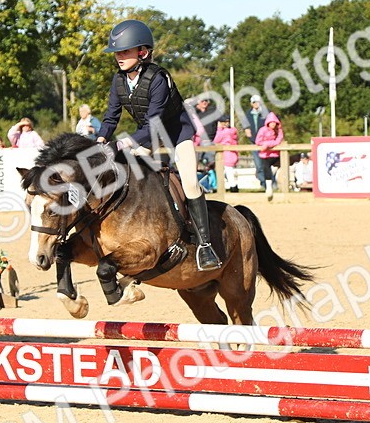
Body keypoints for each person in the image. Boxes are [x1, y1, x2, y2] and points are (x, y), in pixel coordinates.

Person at [96, 18, 221, 271]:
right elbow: (111, 117)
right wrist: (99, 142)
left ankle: (205, 245)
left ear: (142, 52)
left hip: (176, 134)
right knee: (127, 173)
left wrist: (122, 144)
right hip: (148, 135)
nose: (119, 57)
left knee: (188, 182)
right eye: (117, 52)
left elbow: (155, 124)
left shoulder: (159, 78)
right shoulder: (118, 81)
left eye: (125, 51)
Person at [242, 94, 270, 193]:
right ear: (251, 103)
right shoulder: (248, 114)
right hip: (254, 143)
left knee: (267, 164)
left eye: (257, 102)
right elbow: (246, 127)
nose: (256, 104)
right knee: (259, 165)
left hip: (266, 144)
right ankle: (263, 184)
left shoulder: (266, 113)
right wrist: (247, 131)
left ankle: (270, 184)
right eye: (254, 102)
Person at [254, 112, 285, 200]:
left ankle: (273, 185)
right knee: (266, 169)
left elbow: (278, 141)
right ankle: (269, 188)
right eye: (271, 122)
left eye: (274, 122)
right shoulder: (262, 130)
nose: (273, 124)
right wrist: (266, 145)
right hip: (265, 155)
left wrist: (267, 144)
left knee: (275, 169)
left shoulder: (279, 130)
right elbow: (258, 141)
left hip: (275, 154)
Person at [213, 115, 240, 193]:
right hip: (227, 153)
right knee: (227, 171)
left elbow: (217, 139)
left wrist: (220, 129)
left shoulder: (228, 131)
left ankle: (233, 186)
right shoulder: (229, 131)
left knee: (229, 170)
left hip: (228, 153)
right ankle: (232, 186)